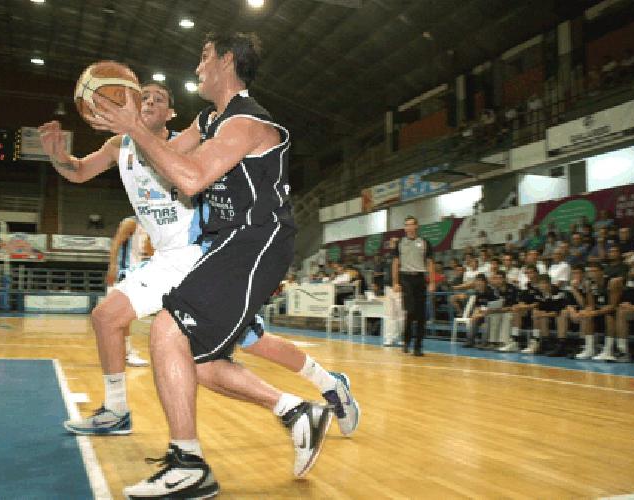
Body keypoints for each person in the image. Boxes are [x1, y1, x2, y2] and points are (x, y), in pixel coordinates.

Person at [87, 32, 349, 496]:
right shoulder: (211, 118)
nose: (197, 68)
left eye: (204, 57)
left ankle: (188, 463)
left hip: (256, 242)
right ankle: (295, 411)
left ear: (227, 61)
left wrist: (134, 127)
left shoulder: (246, 122)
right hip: (225, 244)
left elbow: (189, 177)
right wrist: (125, 129)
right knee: (194, 360)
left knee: (170, 331)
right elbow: (170, 155)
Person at [107, 217, 154, 367]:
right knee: (122, 316)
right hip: (124, 273)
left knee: (124, 317)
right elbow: (116, 243)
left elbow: (148, 251)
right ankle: (126, 354)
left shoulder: (151, 225)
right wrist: (112, 266)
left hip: (139, 274)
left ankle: (122, 353)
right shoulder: (131, 222)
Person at [393, 215, 436, 356]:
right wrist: (395, 282)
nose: (409, 227)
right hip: (406, 278)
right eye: (407, 225)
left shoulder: (424, 242)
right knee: (410, 311)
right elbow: (395, 263)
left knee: (421, 314)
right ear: (405, 228)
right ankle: (406, 341)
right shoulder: (400, 243)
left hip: (420, 278)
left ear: (416, 226)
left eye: (412, 224)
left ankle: (418, 346)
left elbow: (430, 263)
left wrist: (432, 281)